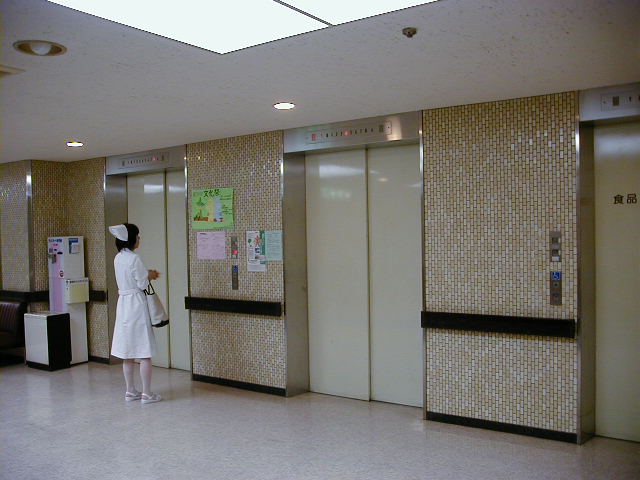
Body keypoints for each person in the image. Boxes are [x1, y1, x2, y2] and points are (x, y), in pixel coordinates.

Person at [108, 223, 162, 404]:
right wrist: (150, 275)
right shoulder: (134, 258)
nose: (139, 239)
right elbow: (142, 283)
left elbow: (130, 277)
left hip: (123, 304)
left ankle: (130, 390)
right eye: (137, 236)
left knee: (128, 351)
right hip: (137, 305)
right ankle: (147, 393)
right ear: (131, 239)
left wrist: (146, 274)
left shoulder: (118, 258)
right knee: (144, 351)